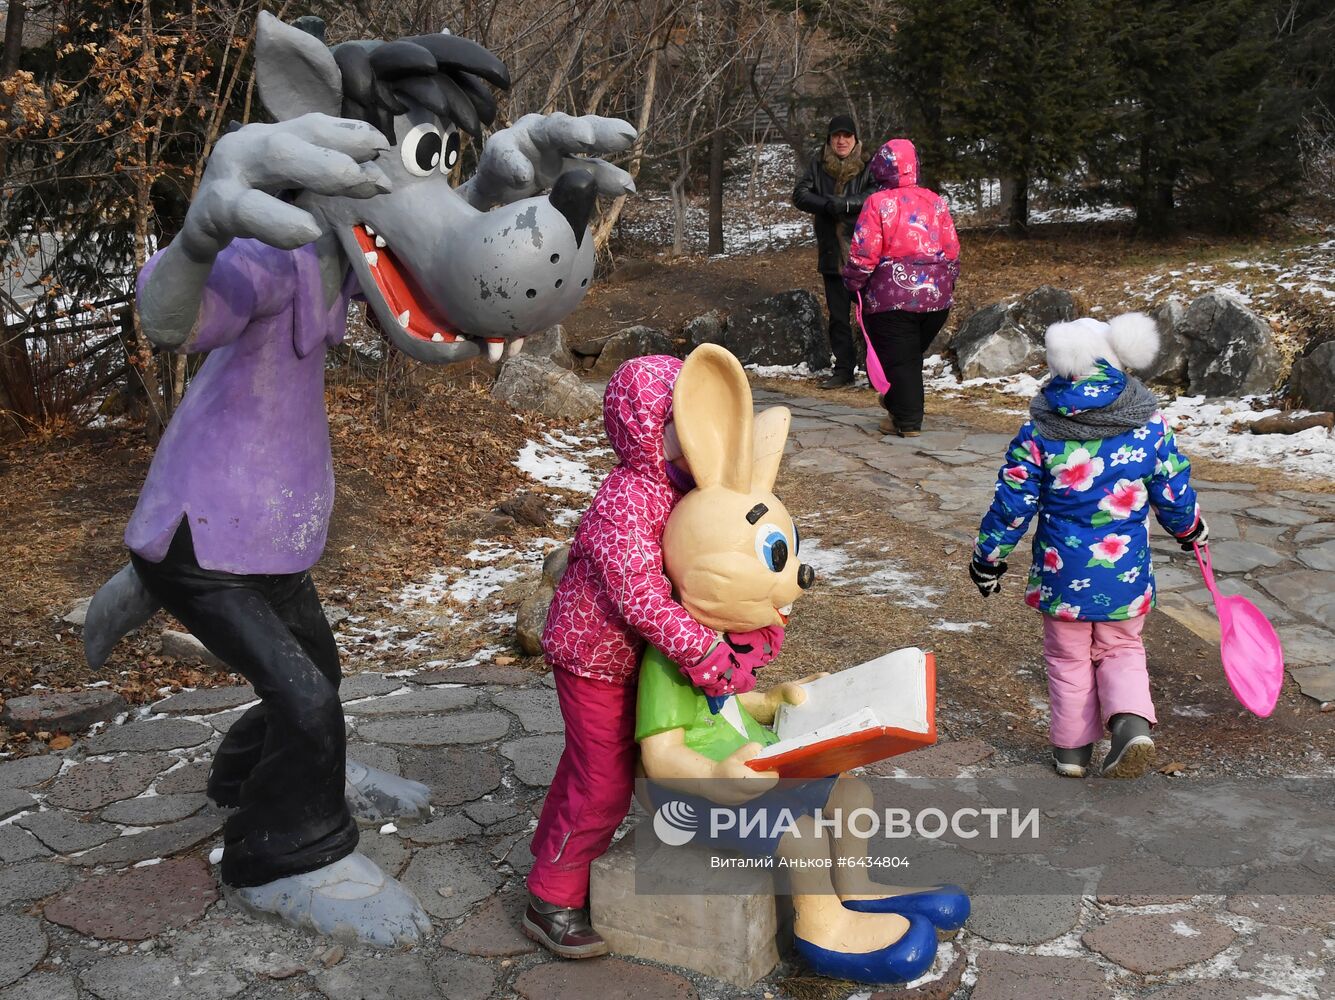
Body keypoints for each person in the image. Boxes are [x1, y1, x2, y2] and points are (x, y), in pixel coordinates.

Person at [525, 354, 784, 958]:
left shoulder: (675, 489)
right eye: (685, 420)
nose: (701, 435)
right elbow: (641, 596)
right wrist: (703, 649)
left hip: (632, 661)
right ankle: (552, 899)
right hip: (593, 660)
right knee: (605, 782)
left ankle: (553, 862)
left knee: (586, 770)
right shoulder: (628, 500)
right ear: (650, 427)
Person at [967, 313, 1208, 780]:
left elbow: (1012, 503)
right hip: (1125, 571)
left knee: (1067, 658)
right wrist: (1189, 529)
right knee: (1121, 647)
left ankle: (1072, 754)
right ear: (1117, 359)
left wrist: (988, 558)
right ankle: (1131, 724)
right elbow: (1172, 488)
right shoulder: (1148, 425)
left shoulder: (1040, 430)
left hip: (1062, 571)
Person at [841, 139, 959, 437]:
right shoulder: (935, 200)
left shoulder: (878, 203)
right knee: (905, 357)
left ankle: (907, 420)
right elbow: (952, 250)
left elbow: (864, 253)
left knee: (900, 358)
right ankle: (897, 409)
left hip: (892, 296)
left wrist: (852, 283)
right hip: (936, 298)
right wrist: (947, 281)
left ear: (880, 167)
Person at [793, 114, 874, 389]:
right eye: (836, 136)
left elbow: (874, 196)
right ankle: (843, 370)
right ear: (829, 139)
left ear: (855, 139)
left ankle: (877, 371)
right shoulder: (818, 165)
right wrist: (827, 205)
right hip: (831, 253)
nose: (841, 140)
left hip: (862, 252)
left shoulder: (868, 166)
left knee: (871, 315)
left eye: (846, 136)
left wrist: (847, 204)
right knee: (838, 317)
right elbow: (800, 195)